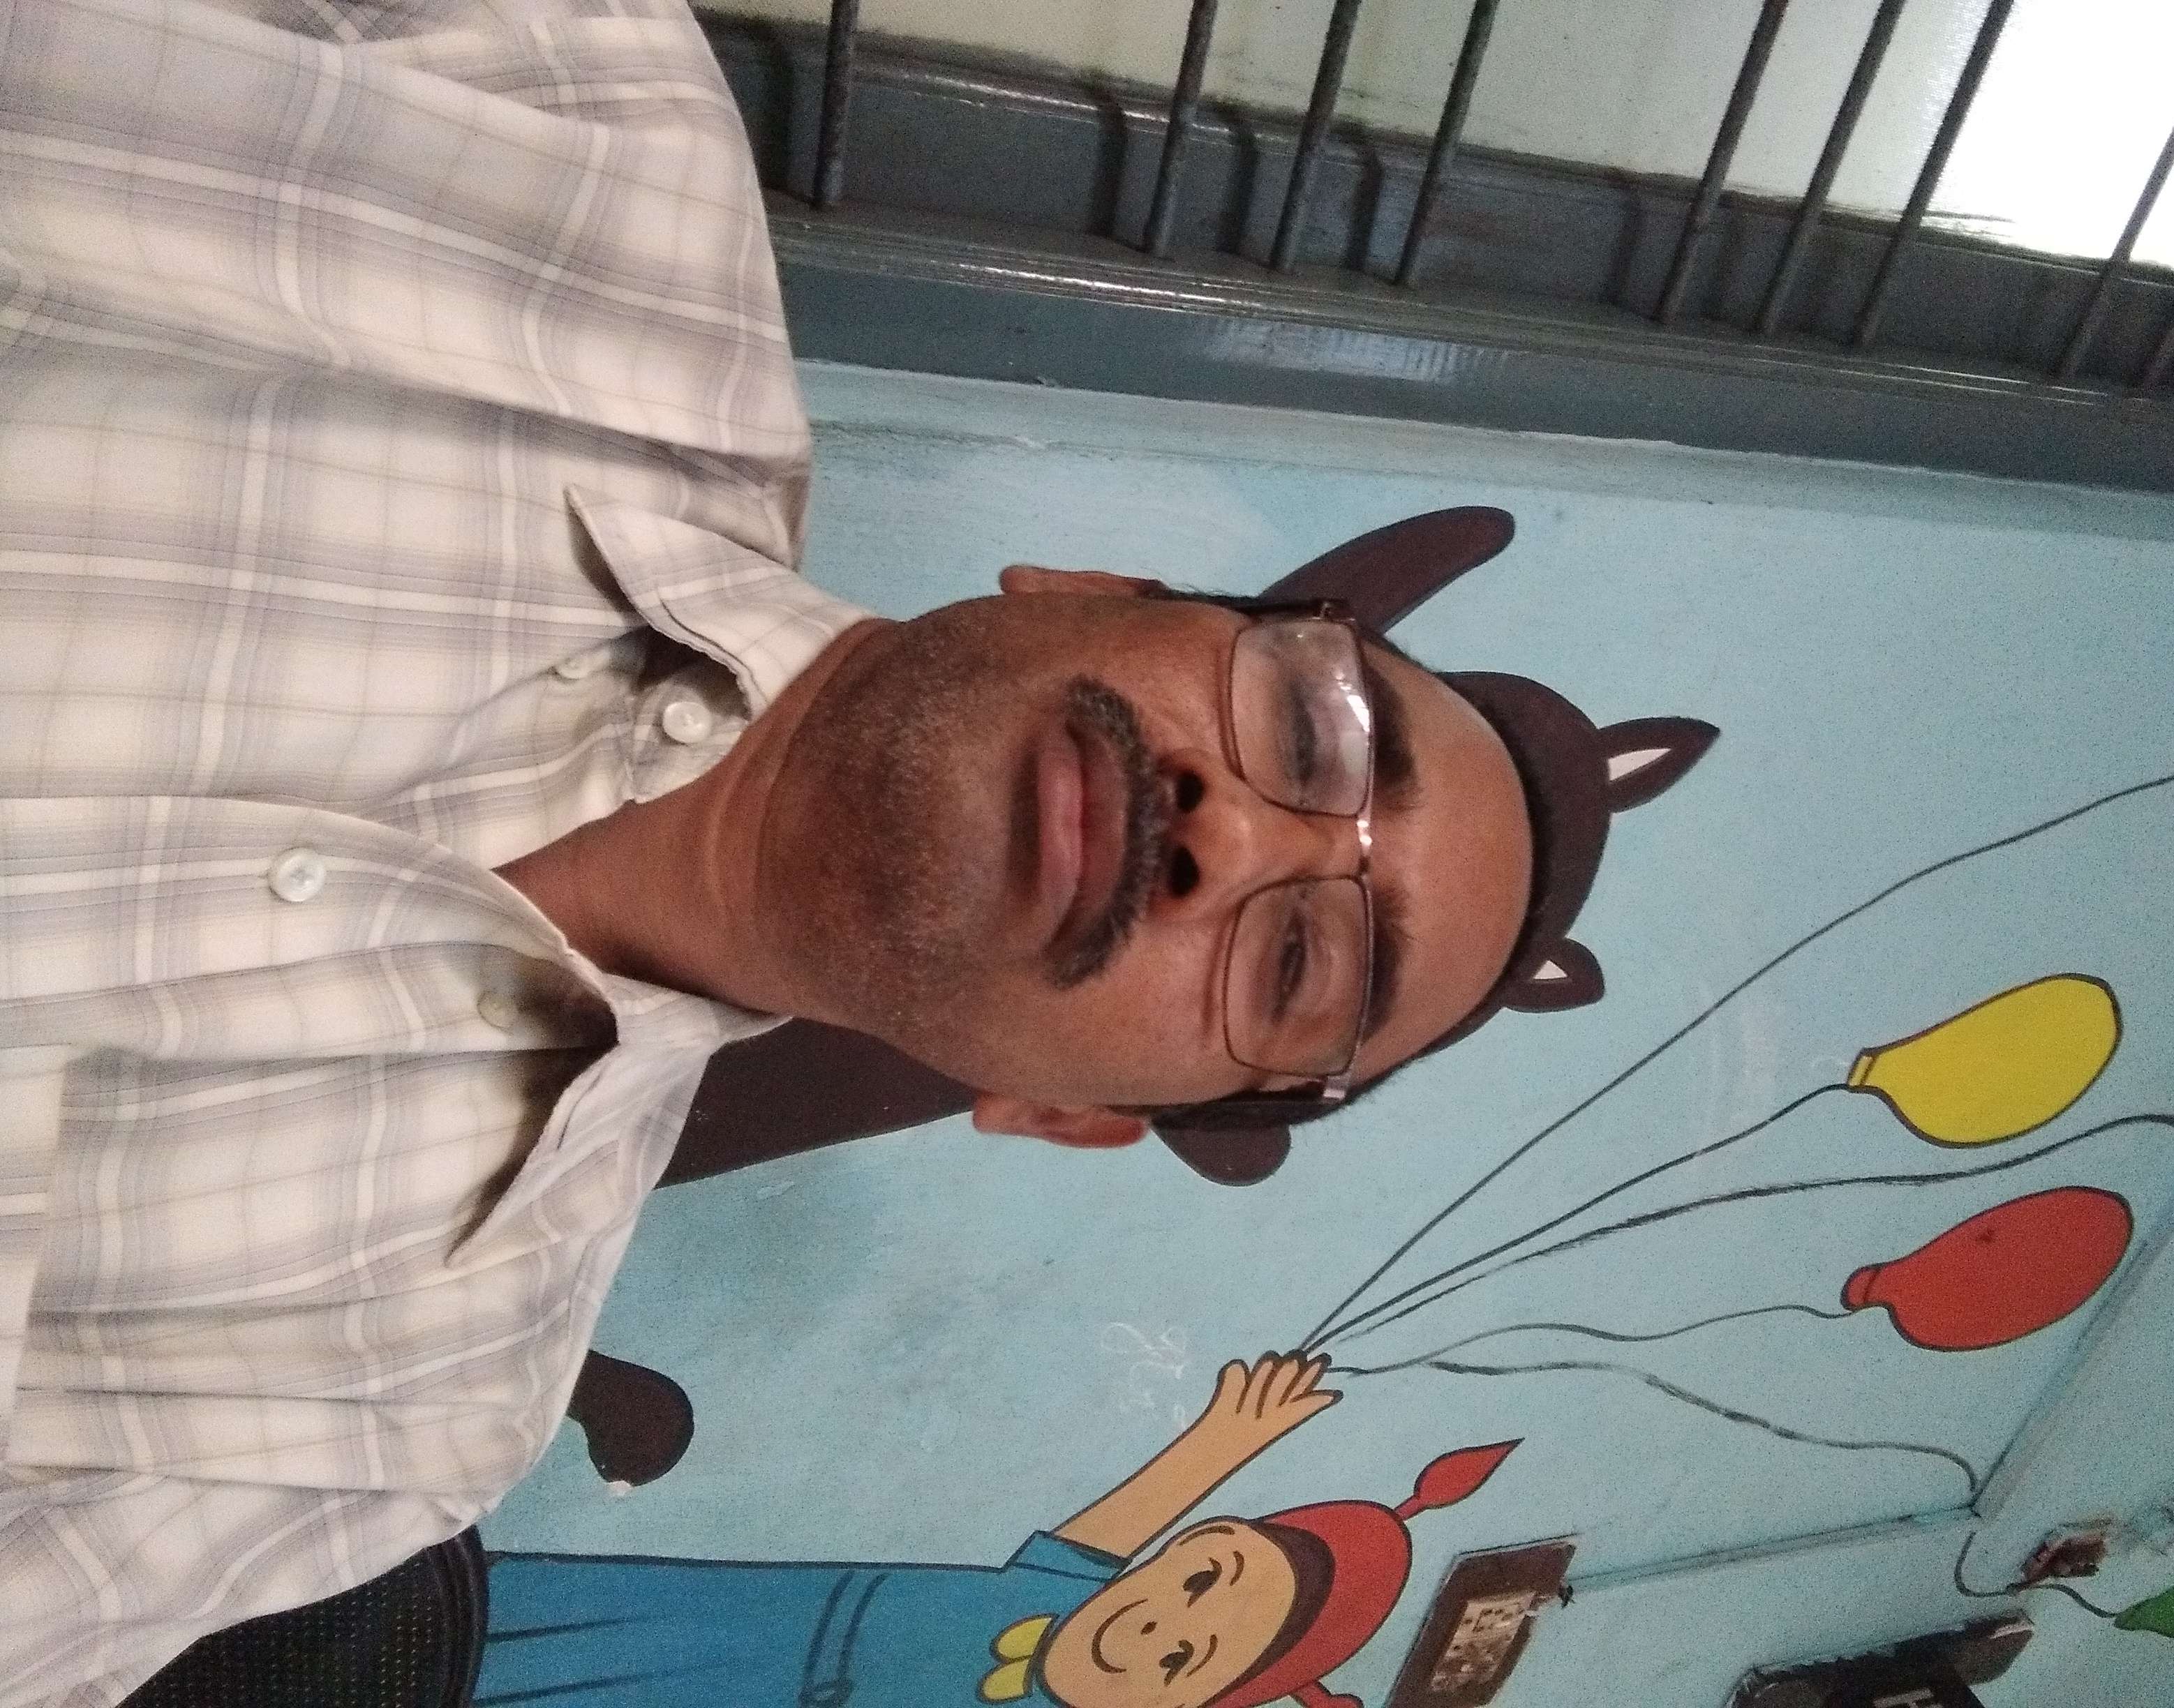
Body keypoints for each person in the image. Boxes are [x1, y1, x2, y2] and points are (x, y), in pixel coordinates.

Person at [0, 0, 1708, 1697]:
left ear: (1064, 1113)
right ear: (1092, 589)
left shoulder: (396, 1407)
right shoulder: (571, 135)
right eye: (1315, 729)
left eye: (1298, 962)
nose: (1235, 832)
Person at [478, 1351, 1515, 1708]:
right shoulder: (1056, 1600)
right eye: (1198, 1579)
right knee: (489, 1618)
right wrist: (1223, 1442)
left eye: (1184, 1659)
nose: (1155, 1626)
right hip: (703, 1615)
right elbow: (1108, 1536)